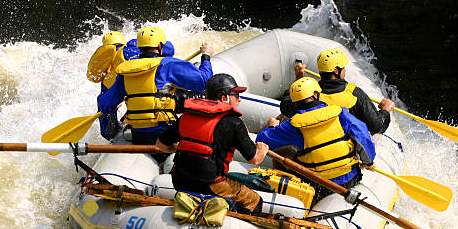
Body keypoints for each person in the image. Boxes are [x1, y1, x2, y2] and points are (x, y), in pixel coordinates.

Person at [155, 74, 269, 214]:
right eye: (236, 94)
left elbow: (160, 145)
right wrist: (262, 149)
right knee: (254, 201)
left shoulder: (186, 117)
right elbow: (254, 159)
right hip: (211, 184)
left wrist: (181, 148)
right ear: (223, 97)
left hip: (179, 180)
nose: (239, 99)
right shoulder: (234, 122)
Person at [97, 25, 213, 152]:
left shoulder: (125, 71)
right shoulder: (168, 64)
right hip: (166, 135)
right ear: (159, 46)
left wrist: (116, 104)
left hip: (138, 136)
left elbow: (104, 104)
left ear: (139, 48)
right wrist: (206, 56)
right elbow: (205, 81)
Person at [257, 77, 375, 201]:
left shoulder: (293, 126)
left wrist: (272, 125)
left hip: (316, 185)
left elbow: (261, 140)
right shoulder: (341, 114)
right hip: (350, 179)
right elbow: (363, 136)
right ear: (315, 94)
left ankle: (283, 195)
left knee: (282, 151)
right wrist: (368, 162)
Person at [280, 48, 395, 135]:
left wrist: (298, 80)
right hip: (344, 151)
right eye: (343, 68)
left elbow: (285, 107)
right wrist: (385, 110)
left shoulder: (311, 94)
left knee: (278, 119)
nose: (345, 70)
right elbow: (376, 126)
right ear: (336, 70)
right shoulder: (355, 94)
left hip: (314, 148)